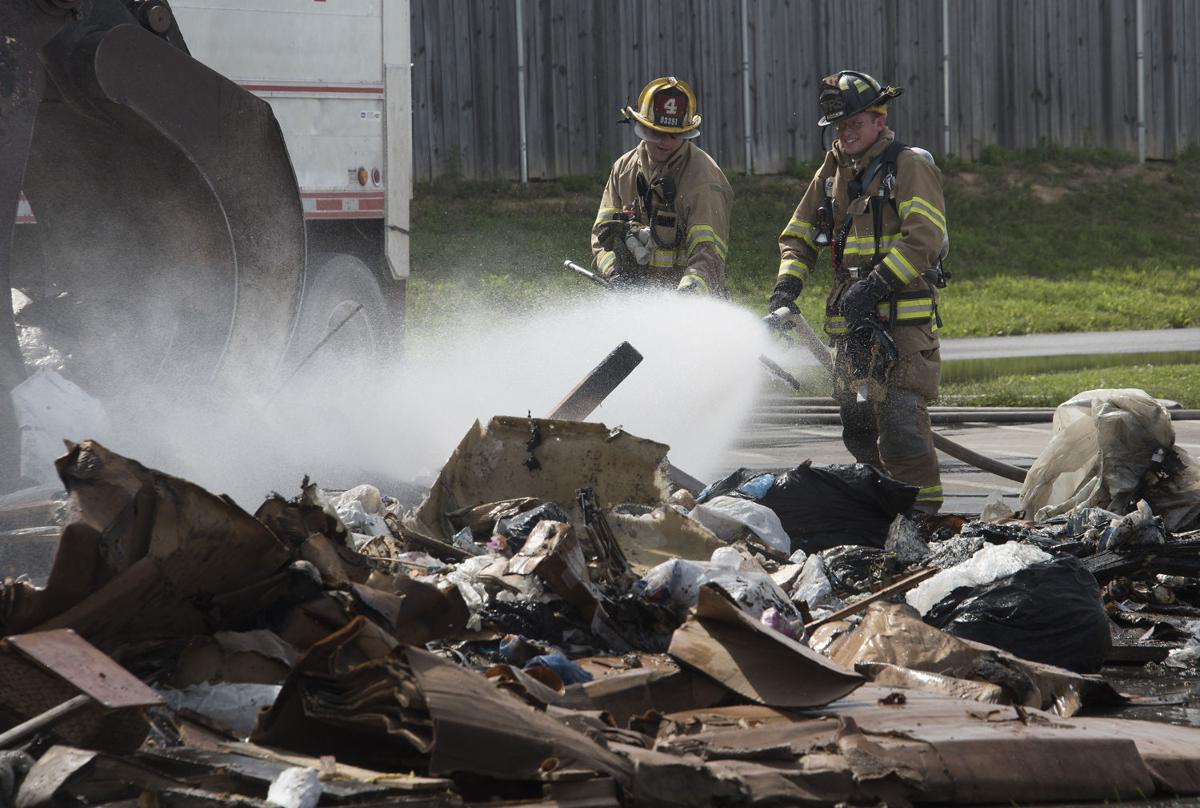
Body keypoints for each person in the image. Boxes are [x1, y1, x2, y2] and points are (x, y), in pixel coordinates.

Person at [769, 70, 949, 512]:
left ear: (878, 119)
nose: (845, 133)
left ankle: (923, 521)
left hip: (902, 326)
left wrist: (877, 284)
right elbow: (799, 234)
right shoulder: (833, 169)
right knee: (858, 429)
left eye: (854, 123)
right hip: (855, 327)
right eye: (839, 126)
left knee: (903, 428)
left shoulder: (908, 165)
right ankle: (885, 511)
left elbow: (924, 236)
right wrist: (787, 283)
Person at [591, 76, 733, 296]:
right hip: (633, 300)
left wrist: (686, 296)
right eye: (656, 132)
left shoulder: (704, 179)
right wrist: (614, 273)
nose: (664, 142)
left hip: (693, 306)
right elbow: (600, 235)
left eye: (674, 135)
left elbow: (709, 253)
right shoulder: (624, 169)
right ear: (641, 127)